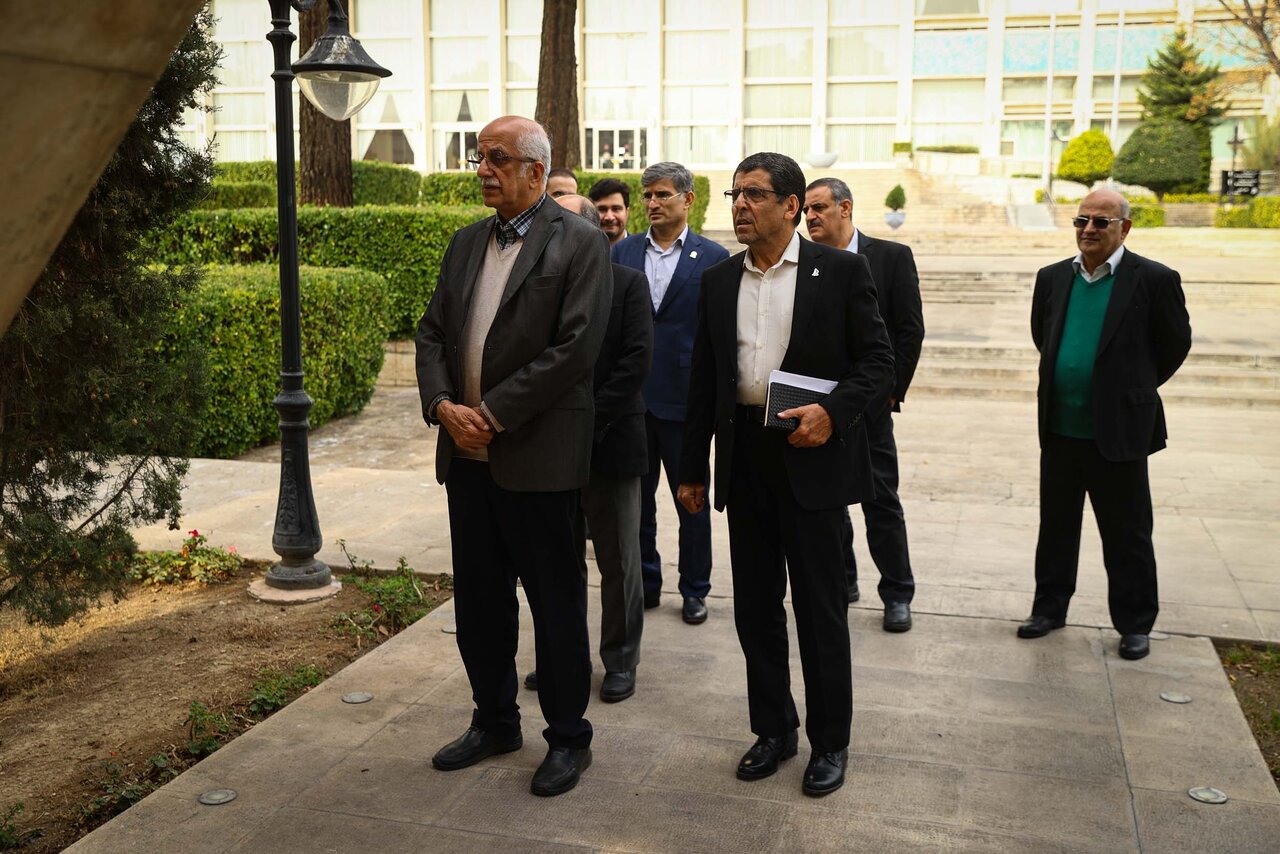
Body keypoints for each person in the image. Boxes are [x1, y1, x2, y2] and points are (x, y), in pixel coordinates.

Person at [677, 153, 893, 796]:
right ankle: (773, 730)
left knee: (820, 609)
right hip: (745, 455)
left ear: (792, 205)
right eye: (734, 194)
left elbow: (878, 362)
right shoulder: (719, 279)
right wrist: (692, 468)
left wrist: (833, 413)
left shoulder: (841, 270)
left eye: (754, 194)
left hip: (811, 453)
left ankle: (830, 742)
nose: (739, 206)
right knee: (755, 607)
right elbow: (705, 379)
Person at [415, 115, 611, 797]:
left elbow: (576, 348)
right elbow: (432, 333)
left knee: (555, 606)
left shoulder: (580, 241)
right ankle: (495, 720)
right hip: (467, 460)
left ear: (535, 169)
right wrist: (444, 406)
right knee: (480, 605)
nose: (483, 170)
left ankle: (568, 737)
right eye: (480, 158)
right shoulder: (467, 240)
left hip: (539, 459)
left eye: (496, 158)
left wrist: (492, 415)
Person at [1018, 189, 1191, 661]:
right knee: (1056, 528)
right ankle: (1049, 609)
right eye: (1082, 221)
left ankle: (1135, 624)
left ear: (1124, 228)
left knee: (1127, 533)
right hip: (1060, 428)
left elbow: (1174, 344)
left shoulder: (1153, 279)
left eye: (1100, 222)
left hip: (1119, 431)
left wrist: (1131, 388)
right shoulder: (1052, 277)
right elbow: (1043, 335)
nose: (1088, 230)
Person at [525, 194, 653, 702]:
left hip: (610, 444)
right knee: (557, 562)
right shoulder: (540, 288)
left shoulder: (629, 284)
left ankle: (620, 660)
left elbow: (635, 363)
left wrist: (585, 422)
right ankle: (563, 657)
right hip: (550, 450)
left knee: (618, 562)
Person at [804, 177, 924, 632]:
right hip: (821, 406)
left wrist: (891, 391)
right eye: (807, 210)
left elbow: (909, 330)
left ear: (845, 208)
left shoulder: (891, 257)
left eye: (819, 208)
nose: (810, 217)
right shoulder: (807, 262)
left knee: (881, 501)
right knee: (830, 501)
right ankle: (845, 581)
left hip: (870, 405)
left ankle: (897, 593)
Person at [612, 162, 729, 623]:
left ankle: (695, 589)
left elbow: (719, 334)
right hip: (632, 401)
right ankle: (647, 584)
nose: (652, 203)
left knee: (691, 502)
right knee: (636, 506)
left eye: (662, 194)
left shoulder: (715, 257)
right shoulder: (622, 253)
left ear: (688, 199)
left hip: (685, 403)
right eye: (647, 195)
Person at [589, 178, 631, 247]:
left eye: (616, 209)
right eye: (602, 209)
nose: (609, 217)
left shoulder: (642, 250)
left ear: (627, 212)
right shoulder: (579, 250)